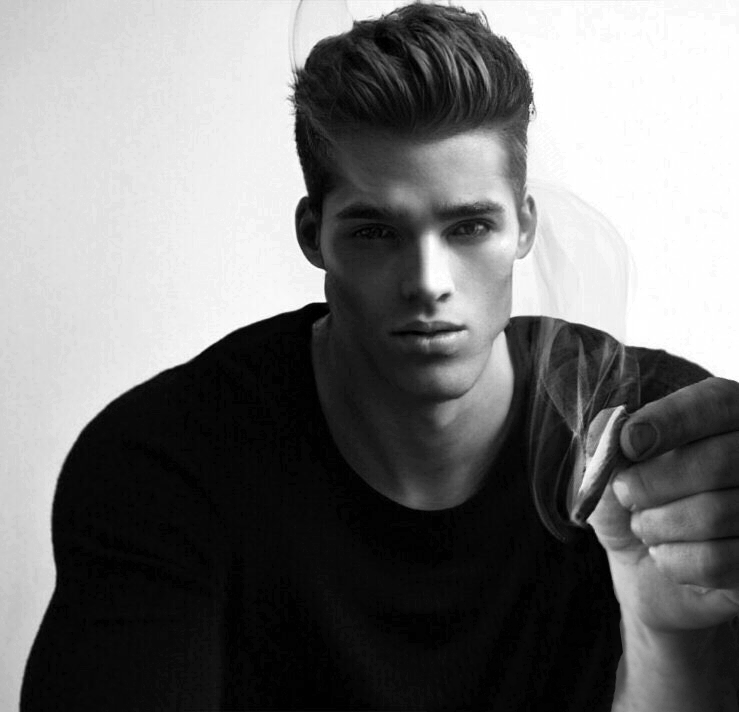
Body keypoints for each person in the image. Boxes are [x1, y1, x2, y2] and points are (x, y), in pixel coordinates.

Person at [21, 3, 739, 710]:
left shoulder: (660, 450)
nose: (428, 283)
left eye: (469, 227)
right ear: (313, 235)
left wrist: (667, 641)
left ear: (522, 227)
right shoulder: (170, 463)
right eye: (375, 232)